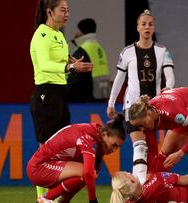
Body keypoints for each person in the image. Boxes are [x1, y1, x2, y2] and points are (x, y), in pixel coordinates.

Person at [30, 0, 93, 197]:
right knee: (45, 151)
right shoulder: (41, 34)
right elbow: (45, 64)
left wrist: (69, 61)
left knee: (61, 148)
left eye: (68, 10)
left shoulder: (58, 35)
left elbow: (57, 61)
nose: (67, 14)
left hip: (59, 94)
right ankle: (42, 199)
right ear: (50, 12)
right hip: (45, 94)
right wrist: (70, 67)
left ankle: (53, 197)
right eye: (62, 10)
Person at [106, 9, 175, 185]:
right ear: (137, 28)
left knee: (152, 148)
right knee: (140, 146)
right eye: (143, 24)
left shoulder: (162, 51)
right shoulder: (127, 52)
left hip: (154, 108)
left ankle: (149, 186)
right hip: (133, 108)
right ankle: (140, 186)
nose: (147, 27)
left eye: (150, 24)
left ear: (153, 28)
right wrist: (111, 103)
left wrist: (168, 89)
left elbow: (170, 75)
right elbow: (119, 79)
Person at [128, 87, 188, 203]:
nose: (142, 129)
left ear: (148, 114)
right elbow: (152, 151)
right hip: (186, 113)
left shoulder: (172, 112)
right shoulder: (149, 119)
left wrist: (180, 153)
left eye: (142, 124)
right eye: (139, 127)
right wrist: (150, 176)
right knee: (162, 158)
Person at [26, 113, 126, 203]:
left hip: (51, 167)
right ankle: (46, 198)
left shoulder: (99, 139)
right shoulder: (88, 137)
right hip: (38, 168)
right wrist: (93, 200)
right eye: (113, 145)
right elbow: (87, 173)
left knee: (91, 172)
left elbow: (82, 179)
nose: (114, 150)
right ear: (104, 135)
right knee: (88, 172)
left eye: (117, 147)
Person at [67, 18, 111, 102]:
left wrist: (64, 93)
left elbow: (76, 78)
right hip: (100, 96)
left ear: (82, 31)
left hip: (84, 100)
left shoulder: (83, 50)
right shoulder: (99, 48)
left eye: (78, 30)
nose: (76, 33)